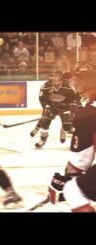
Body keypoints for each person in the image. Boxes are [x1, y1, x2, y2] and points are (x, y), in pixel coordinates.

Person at [47, 67, 96, 212]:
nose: (74, 84)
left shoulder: (87, 115)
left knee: (72, 190)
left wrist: (67, 179)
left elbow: (80, 161)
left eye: (78, 80)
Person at [30, 68, 79, 148]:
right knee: (45, 122)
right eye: (53, 75)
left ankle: (63, 130)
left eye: (57, 75)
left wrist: (73, 104)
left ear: (60, 76)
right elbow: (42, 99)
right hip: (51, 107)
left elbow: (75, 96)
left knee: (67, 126)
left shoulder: (68, 85)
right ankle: (42, 140)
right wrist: (47, 107)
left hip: (65, 107)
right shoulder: (45, 86)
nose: (55, 77)